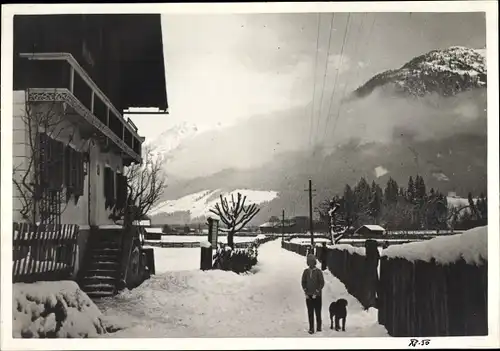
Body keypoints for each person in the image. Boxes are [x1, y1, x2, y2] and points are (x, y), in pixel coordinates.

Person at [301, 254, 325, 334]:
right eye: (309, 262)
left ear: (314, 262)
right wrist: (305, 291)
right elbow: (303, 282)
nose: (310, 263)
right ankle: (311, 328)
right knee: (310, 312)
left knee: (318, 312)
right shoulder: (306, 272)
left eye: (312, 262)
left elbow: (321, 283)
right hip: (308, 295)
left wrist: (317, 292)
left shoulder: (318, 272)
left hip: (317, 296)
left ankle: (319, 327)